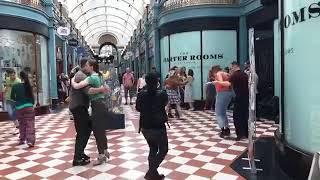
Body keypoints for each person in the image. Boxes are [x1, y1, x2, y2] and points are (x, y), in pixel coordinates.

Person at [69, 58, 108, 166]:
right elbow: (88, 91)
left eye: (88, 65)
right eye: (86, 65)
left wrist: (71, 80)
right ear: (84, 66)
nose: (87, 67)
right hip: (79, 107)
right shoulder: (82, 75)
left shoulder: (87, 76)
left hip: (82, 107)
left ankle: (83, 153)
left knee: (89, 129)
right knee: (84, 132)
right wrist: (101, 89)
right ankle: (78, 157)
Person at [136, 72, 168, 180]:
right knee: (163, 149)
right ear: (157, 82)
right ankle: (151, 172)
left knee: (153, 148)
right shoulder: (162, 93)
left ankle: (153, 174)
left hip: (145, 127)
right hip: (158, 127)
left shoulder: (141, 94)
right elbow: (164, 104)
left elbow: (138, 108)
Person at [11, 71, 35, 147]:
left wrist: (18, 100)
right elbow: (32, 98)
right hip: (29, 107)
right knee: (30, 124)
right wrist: (31, 104)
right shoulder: (29, 86)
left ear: (20, 77)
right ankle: (30, 141)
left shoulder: (15, 86)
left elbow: (12, 97)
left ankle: (22, 139)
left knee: (22, 124)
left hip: (19, 108)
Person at [212, 65, 234, 138]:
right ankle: (227, 129)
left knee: (218, 113)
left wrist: (216, 82)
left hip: (222, 93)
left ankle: (222, 130)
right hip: (229, 93)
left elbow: (221, 82)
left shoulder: (218, 74)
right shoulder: (226, 74)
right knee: (223, 112)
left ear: (214, 70)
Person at [230, 62, 249, 141]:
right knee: (244, 115)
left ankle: (240, 134)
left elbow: (229, 85)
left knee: (237, 116)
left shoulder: (234, 75)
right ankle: (245, 133)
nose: (231, 69)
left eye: (231, 67)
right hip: (246, 98)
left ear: (234, 66)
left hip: (238, 98)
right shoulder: (245, 75)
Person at [4, 69, 21, 135]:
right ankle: (18, 126)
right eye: (10, 75)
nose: (12, 77)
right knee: (10, 113)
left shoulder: (18, 81)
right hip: (8, 99)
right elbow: (7, 87)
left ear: (15, 74)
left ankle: (18, 128)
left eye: (13, 75)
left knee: (15, 114)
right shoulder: (7, 79)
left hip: (16, 100)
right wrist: (4, 93)